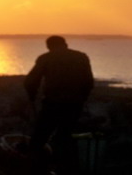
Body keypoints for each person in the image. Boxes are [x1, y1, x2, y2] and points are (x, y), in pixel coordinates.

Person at [24, 35, 94, 174]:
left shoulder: (46, 58)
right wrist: (82, 98)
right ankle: (67, 168)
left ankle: (35, 169)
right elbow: (89, 82)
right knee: (65, 135)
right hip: (74, 105)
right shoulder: (81, 57)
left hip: (53, 104)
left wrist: (32, 96)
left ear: (49, 46)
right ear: (65, 44)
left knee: (39, 137)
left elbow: (31, 81)